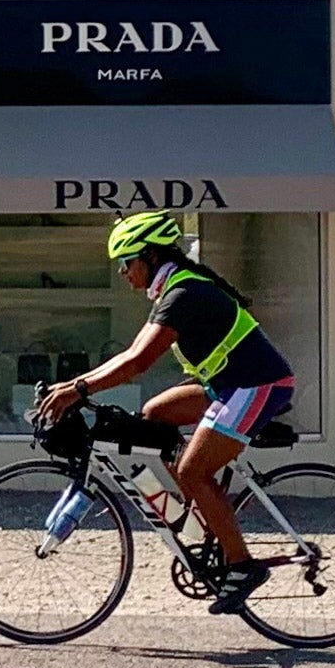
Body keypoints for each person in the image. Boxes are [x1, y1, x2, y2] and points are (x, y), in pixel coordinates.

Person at [36, 210, 296, 614]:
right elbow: (126, 356)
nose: (122, 272)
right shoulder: (171, 289)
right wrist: (71, 387)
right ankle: (206, 512)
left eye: (126, 262)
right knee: (156, 413)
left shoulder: (183, 295)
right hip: (227, 385)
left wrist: (78, 389)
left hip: (257, 385)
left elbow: (137, 363)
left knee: (194, 471)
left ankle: (243, 566)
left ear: (151, 257)